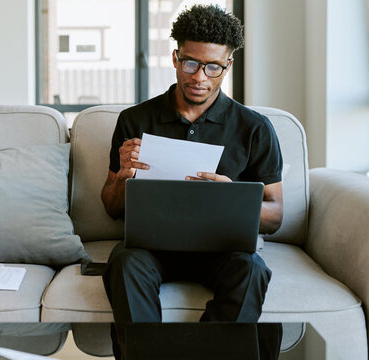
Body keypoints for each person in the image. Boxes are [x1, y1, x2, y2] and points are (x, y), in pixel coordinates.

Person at [101, 4, 283, 360]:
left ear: (227, 66)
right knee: (123, 262)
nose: (200, 77)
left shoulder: (254, 128)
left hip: (222, 250)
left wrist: (232, 197)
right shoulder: (134, 119)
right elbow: (110, 208)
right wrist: (123, 177)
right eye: (190, 63)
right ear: (175, 57)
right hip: (151, 250)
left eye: (213, 67)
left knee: (252, 269)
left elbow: (275, 216)